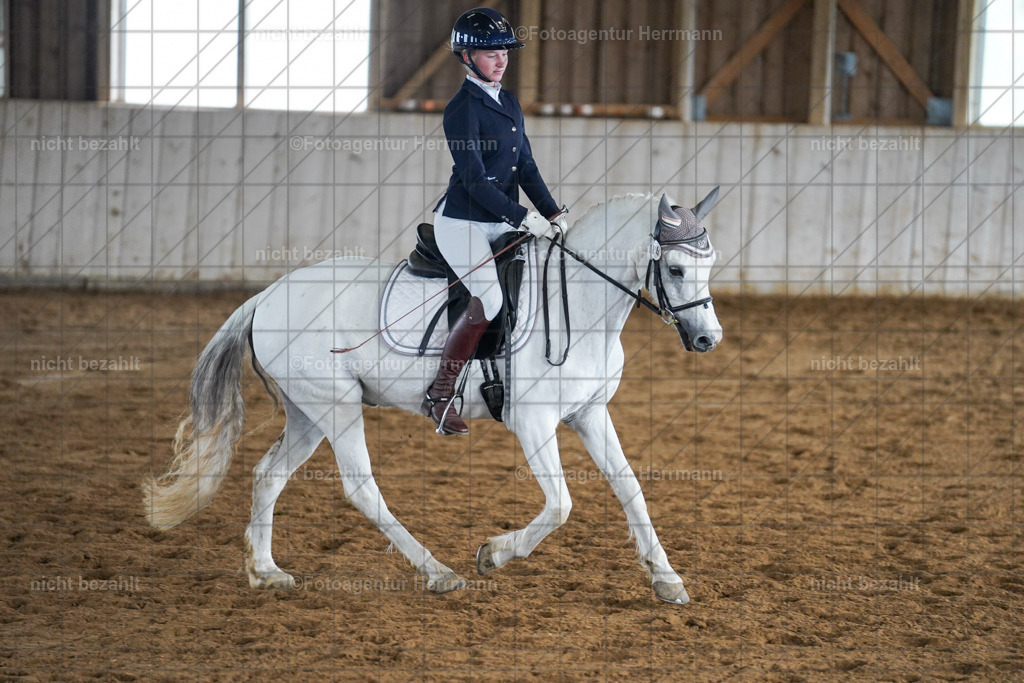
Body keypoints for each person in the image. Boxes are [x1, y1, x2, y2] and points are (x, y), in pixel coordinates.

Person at [424, 6, 568, 436]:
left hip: (503, 219)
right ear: (467, 58)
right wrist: (524, 217)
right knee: (489, 298)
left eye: (504, 50)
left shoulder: (508, 101)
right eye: (490, 52)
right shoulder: (460, 109)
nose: (501, 58)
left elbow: (525, 166)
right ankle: (441, 392)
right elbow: (473, 180)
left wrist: (553, 212)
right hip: (463, 221)